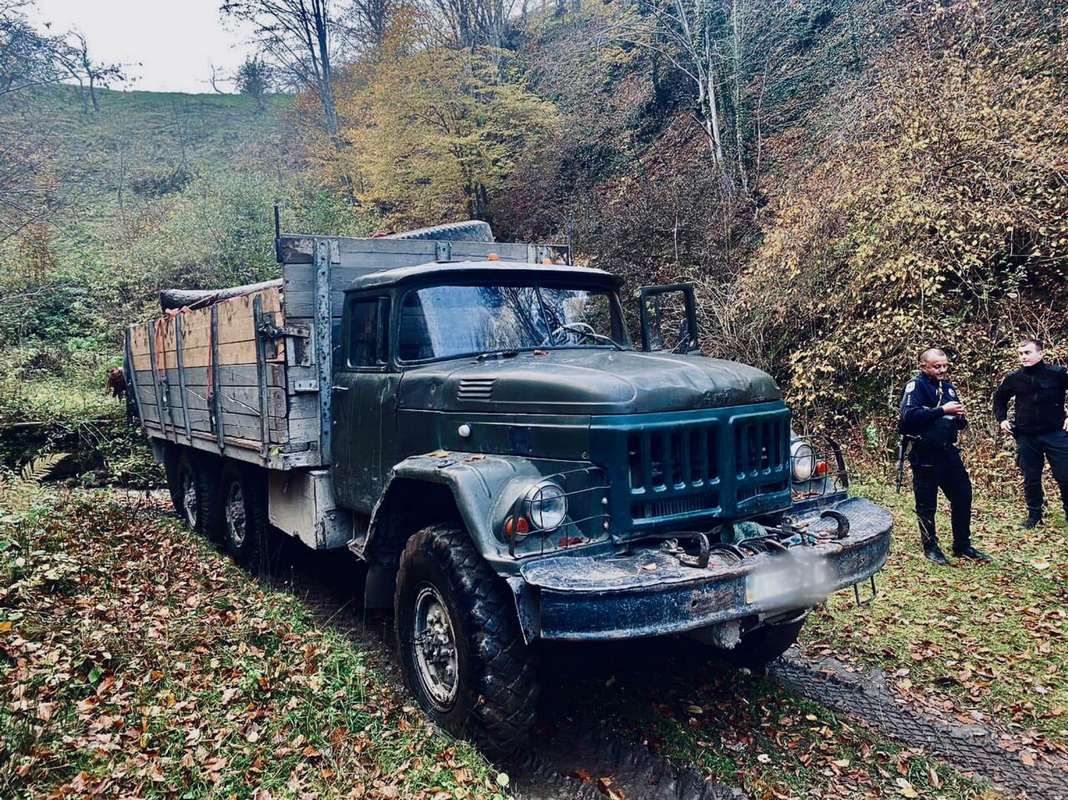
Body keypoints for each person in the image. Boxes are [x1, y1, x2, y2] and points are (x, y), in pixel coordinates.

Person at [899, 349, 991, 564]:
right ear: (924, 366)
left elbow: (958, 421)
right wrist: (942, 410)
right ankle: (930, 547)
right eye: (936, 366)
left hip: (948, 452)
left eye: (945, 366)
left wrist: (959, 417)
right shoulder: (916, 386)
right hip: (924, 454)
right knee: (927, 504)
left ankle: (962, 545)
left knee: (963, 495)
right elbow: (908, 417)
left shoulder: (948, 388)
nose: (942, 370)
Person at [993, 338, 1068, 528]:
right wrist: (1002, 420)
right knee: (1031, 477)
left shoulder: (1057, 374)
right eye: (1020, 354)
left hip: (1055, 433)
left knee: (1065, 474)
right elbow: (999, 399)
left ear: (1040, 353)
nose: (1023, 357)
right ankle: (1034, 516)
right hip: (1026, 435)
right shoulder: (1014, 378)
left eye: (1027, 352)